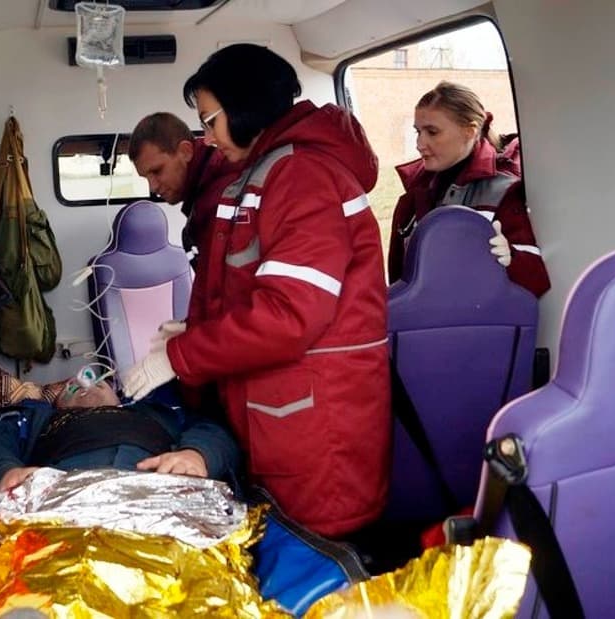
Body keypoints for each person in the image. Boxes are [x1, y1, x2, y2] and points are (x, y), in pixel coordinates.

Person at [122, 44, 390, 539]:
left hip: (315, 429)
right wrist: (194, 329)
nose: (206, 138)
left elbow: (288, 316)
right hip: (281, 420)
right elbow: (248, 287)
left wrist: (183, 355)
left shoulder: (303, 176)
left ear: (246, 107)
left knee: (322, 562)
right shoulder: (262, 174)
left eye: (211, 121)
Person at [388, 81, 550, 297]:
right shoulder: (413, 196)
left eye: (432, 132)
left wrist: (511, 257)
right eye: (418, 132)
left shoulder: (502, 192)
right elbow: (398, 283)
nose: (420, 143)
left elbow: (537, 279)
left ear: (470, 131)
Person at [0, 366, 240, 494]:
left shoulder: (158, 412)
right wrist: (6, 471)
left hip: (158, 488)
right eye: (71, 387)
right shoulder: (34, 418)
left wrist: (197, 454)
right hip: (63, 492)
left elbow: (215, 431)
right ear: (57, 403)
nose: (85, 385)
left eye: (99, 382)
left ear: (118, 396)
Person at [129, 112, 241, 272]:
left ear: (185, 152)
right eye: (146, 177)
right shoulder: (204, 198)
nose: (153, 187)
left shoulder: (222, 197)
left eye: (157, 171)